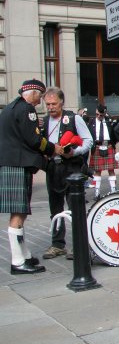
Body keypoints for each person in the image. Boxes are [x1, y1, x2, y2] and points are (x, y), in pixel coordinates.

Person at [0, 79, 57, 274]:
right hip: (19, 163)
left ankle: (24, 255)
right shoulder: (27, 109)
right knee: (18, 212)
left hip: (10, 162)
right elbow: (33, 139)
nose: (40, 101)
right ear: (32, 93)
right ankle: (18, 261)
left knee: (20, 212)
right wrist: (52, 149)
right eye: (40, 96)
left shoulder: (10, 107)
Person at [41, 87, 93, 260]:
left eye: (54, 103)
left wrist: (75, 152)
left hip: (72, 168)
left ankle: (80, 244)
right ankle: (58, 244)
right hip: (53, 168)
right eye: (47, 104)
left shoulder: (74, 118)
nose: (50, 107)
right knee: (55, 207)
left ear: (61, 102)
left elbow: (88, 141)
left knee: (74, 207)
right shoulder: (45, 120)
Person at [88, 104, 118, 198]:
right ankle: (97, 192)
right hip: (97, 147)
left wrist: (113, 144)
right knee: (97, 171)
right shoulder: (91, 122)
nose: (98, 116)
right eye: (97, 114)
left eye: (100, 115)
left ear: (104, 114)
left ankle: (113, 190)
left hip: (108, 146)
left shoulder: (109, 122)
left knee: (111, 169)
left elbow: (114, 133)